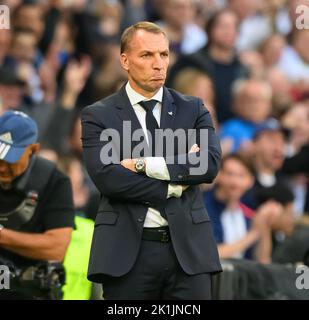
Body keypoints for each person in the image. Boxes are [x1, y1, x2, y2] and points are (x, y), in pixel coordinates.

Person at [81, 21, 222, 300]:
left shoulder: (193, 108)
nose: (159, 64)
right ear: (125, 60)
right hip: (127, 255)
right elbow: (109, 179)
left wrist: (145, 165)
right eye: (147, 55)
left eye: (164, 55)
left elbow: (208, 164)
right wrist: (174, 183)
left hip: (189, 254)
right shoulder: (99, 115)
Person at [0, 110, 75, 299]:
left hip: (27, 289)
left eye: (11, 158)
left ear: (33, 150)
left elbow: (56, 248)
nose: (1, 166)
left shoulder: (54, 182)